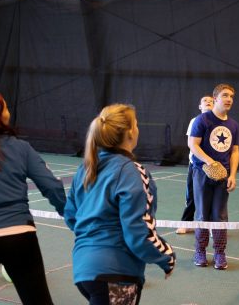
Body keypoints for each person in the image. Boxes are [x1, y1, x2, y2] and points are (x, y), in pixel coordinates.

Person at [64, 104, 175, 304]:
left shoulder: (86, 168)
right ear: (130, 133)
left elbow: (71, 216)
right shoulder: (133, 171)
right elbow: (138, 232)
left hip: (83, 271)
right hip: (116, 274)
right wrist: (167, 257)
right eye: (137, 125)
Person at [0, 87, 66, 305]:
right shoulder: (21, 148)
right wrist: (70, 214)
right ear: (1, 115)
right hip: (21, 236)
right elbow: (52, 186)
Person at [188, 84, 239, 270]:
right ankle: (200, 251)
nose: (229, 99)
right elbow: (193, 144)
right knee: (202, 214)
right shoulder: (202, 120)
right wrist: (211, 163)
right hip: (202, 173)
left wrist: (232, 174)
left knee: (220, 216)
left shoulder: (233, 125)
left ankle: (219, 253)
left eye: (231, 96)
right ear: (215, 98)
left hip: (223, 177)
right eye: (225, 95)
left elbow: (234, 151)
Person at [176, 95, 214, 234]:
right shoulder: (194, 121)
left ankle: (211, 226)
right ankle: (186, 223)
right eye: (205, 101)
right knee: (192, 195)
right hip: (196, 165)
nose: (208, 102)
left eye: (211, 101)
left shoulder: (219, 121)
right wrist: (201, 159)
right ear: (200, 106)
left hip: (213, 166)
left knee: (211, 197)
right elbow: (192, 144)